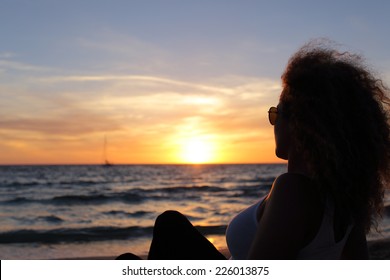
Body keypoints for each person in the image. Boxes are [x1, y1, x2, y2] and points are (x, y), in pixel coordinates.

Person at [117, 41, 390, 260]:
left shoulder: (293, 190)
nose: (272, 122)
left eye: (276, 113)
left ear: (301, 123)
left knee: (142, 249)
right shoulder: (344, 199)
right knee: (171, 225)